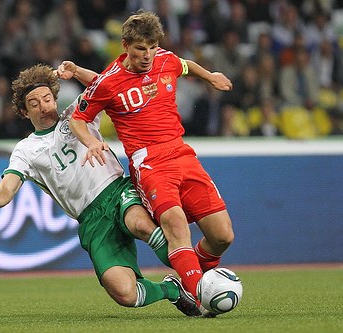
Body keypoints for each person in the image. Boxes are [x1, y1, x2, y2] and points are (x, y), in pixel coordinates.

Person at [0, 64, 201, 317]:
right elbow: (7, 187)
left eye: (47, 99)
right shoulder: (25, 150)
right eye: (34, 104)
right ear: (24, 111)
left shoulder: (76, 114)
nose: (44, 107)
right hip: (91, 220)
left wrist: (76, 71)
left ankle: (200, 285)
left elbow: (107, 86)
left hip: (116, 190)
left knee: (140, 224)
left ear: (54, 99)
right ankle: (171, 290)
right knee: (125, 293)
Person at [62, 10, 235, 313]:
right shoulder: (109, 82)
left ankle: (189, 277)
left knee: (222, 236)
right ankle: (199, 295)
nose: (147, 55)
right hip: (149, 163)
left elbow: (185, 65)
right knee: (176, 225)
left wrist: (209, 76)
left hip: (182, 153)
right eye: (141, 48)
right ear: (125, 45)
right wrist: (93, 142)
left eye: (152, 47)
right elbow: (79, 119)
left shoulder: (165, 60)